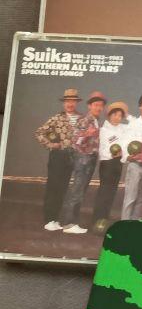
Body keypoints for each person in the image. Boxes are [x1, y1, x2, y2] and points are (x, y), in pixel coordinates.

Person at [34, 88, 82, 232]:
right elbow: (39, 132)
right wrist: (50, 144)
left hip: (73, 157)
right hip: (58, 156)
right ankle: (49, 219)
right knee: (53, 187)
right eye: (68, 101)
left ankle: (57, 219)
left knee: (63, 189)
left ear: (77, 103)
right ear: (63, 103)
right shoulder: (57, 118)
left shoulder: (81, 118)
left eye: (73, 101)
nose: (70, 104)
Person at [59, 91, 105, 235]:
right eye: (95, 105)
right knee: (77, 191)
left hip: (90, 159)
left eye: (100, 105)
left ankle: (70, 222)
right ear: (89, 106)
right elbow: (74, 141)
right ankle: (68, 223)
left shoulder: (96, 120)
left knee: (80, 191)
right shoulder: (85, 120)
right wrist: (86, 134)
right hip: (83, 159)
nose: (98, 108)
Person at [91, 101, 128, 228]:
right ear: (109, 115)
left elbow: (127, 144)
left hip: (118, 163)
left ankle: (104, 220)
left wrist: (122, 153)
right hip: (107, 163)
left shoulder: (123, 128)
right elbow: (102, 150)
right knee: (104, 192)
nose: (117, 117)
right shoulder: (103, 130)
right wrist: (113, 154)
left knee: (112, 193)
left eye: (120, 115)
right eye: (115, 114)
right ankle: (96, 221)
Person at [121, 92, 142, 220]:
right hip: (135, 165)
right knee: (130, 198)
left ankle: (134, 225)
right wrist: (129, 157)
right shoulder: (133, 124)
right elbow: (125, 143)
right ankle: (125, 226)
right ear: (140, 107)